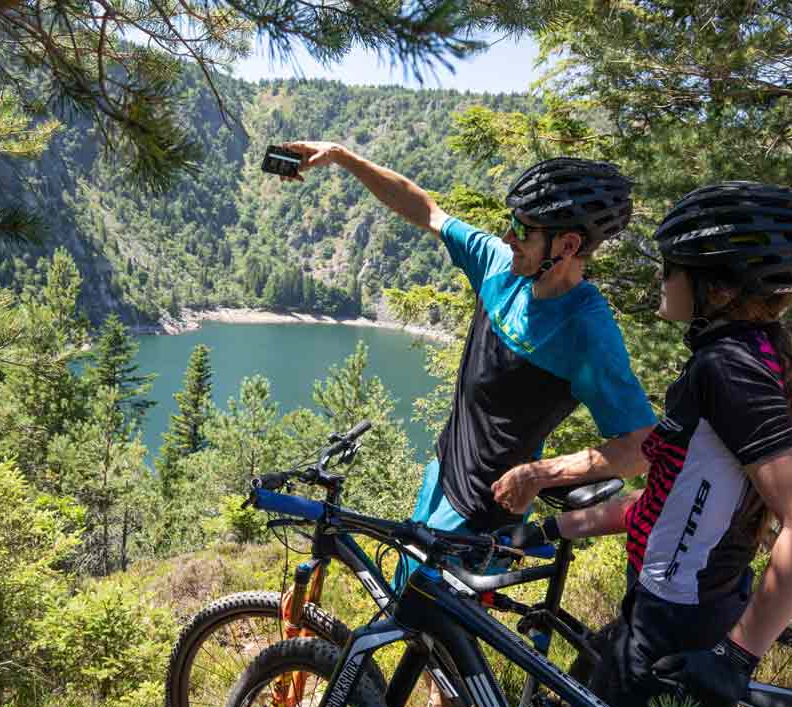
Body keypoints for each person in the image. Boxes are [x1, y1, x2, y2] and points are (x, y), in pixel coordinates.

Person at [512, 181, 792, 707]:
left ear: (716, 288)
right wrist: (554, 526)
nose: (661, 279)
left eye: (672, 268)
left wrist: (735, 659)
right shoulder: (752, 355)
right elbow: (672, 501)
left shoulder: (726, 370)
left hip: (674, 621)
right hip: (678, 604)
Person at [279, 142, 656, 549]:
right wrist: (341, 156)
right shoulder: (501, 268)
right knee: (402, 599)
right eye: (511, 221)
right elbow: (426, 210)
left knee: (419, 611)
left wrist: (539, 474)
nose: (509, 236)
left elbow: (640, 447)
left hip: (485, 518)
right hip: (440, 477)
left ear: (567, 246)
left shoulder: (586, 332)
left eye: (524, 230)